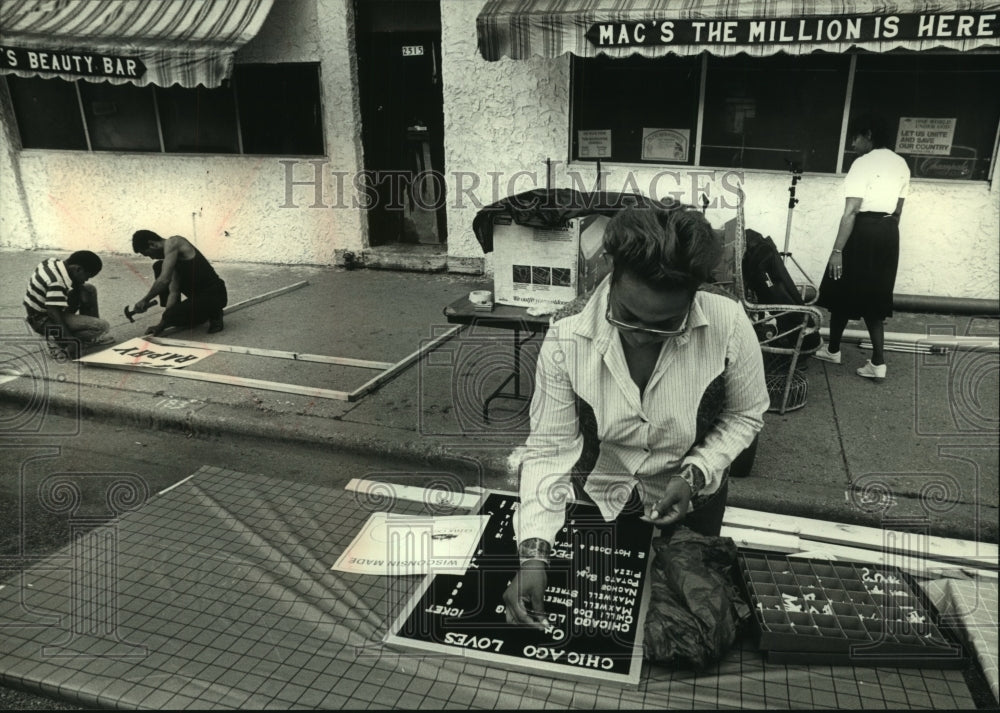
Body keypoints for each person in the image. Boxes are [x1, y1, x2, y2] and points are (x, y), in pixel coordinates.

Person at [502, 203, 769, 628]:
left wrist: (695, 473)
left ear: (694, 294)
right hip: (597, 501)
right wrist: (534, 553)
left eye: (665, 324)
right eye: (626, 316)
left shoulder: (729, 322)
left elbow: (745, 415)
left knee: (686, 621)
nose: (642, 338)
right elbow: (549, 449)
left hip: (693, 506)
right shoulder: (566, 334)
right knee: (604, 622)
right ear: (611, 270)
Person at [814, 114, 910, 379]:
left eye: (855, 137)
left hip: (863, 230)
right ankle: (878, 363)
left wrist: (837, 252)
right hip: (889, 233)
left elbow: (851, 211)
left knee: (841, 286)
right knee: (876, 296)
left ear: (868, 135)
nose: (853, 143)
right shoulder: (902, 163)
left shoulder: (863, 163)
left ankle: (833, 350)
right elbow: (898, 211)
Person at [130, 230, 227, 337]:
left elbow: (164, 280)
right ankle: (198, 312)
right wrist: (162, 324)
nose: (151, 258)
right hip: (198, 295)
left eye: (148, 254)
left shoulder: (174, 242)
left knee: (161, 269)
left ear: (152, 244)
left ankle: (215, 313)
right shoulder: (172, 259)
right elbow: (174, 292)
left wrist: (145, 300)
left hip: (215, 294)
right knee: (159, 266)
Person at [23, 250, 111, 359]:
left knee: (89, 289)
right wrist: (69, 340)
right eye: (87, 276)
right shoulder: (56, 282)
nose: (87, 279)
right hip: (42, 320)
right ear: (78, 269)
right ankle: (56, 340)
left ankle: (88, 339)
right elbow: (53, 312)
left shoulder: (53, 262)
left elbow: (56, 299)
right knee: (101, 327)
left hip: (45, 309)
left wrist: (80, 288)